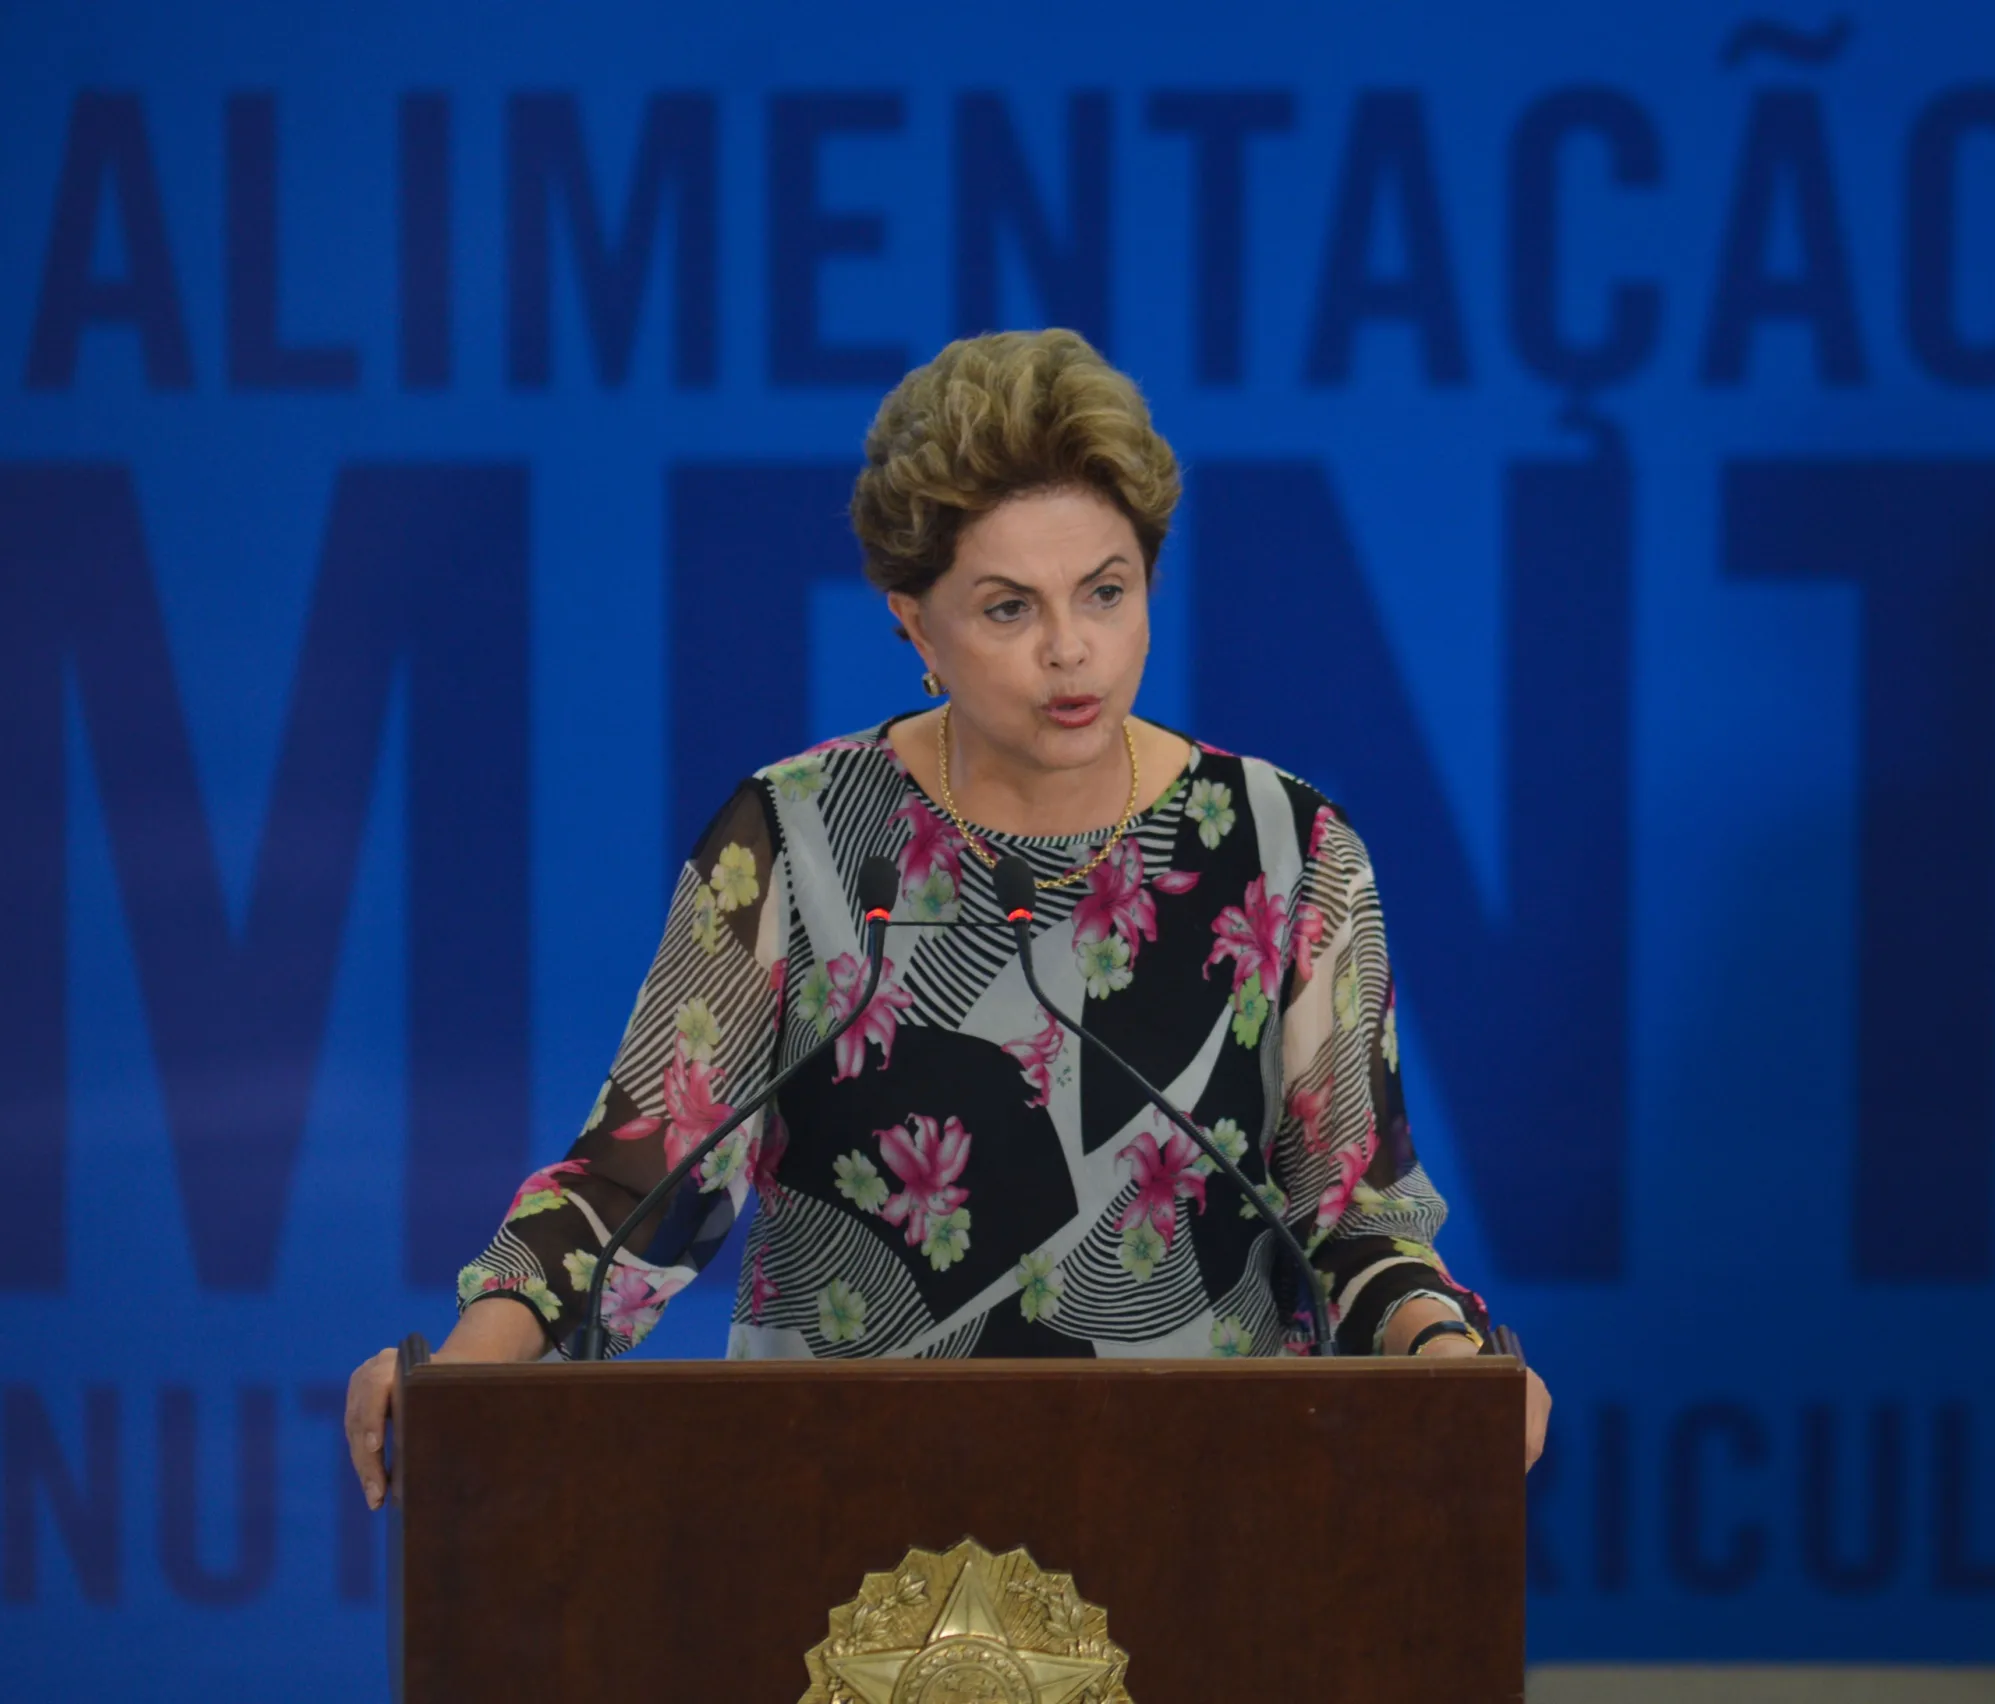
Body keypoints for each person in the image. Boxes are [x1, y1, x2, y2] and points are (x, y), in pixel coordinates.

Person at [344, 328, 1551, 1501]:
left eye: (1105, 591)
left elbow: (1349, 1214)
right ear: (911, 623)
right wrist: (464, 1378)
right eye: (1008, 608)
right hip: (833, 1518)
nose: (1072, 651)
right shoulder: (796, 839)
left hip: (1196, 1521)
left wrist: (1448, 1361)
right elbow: (637, 1186)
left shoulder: (1288, 852)